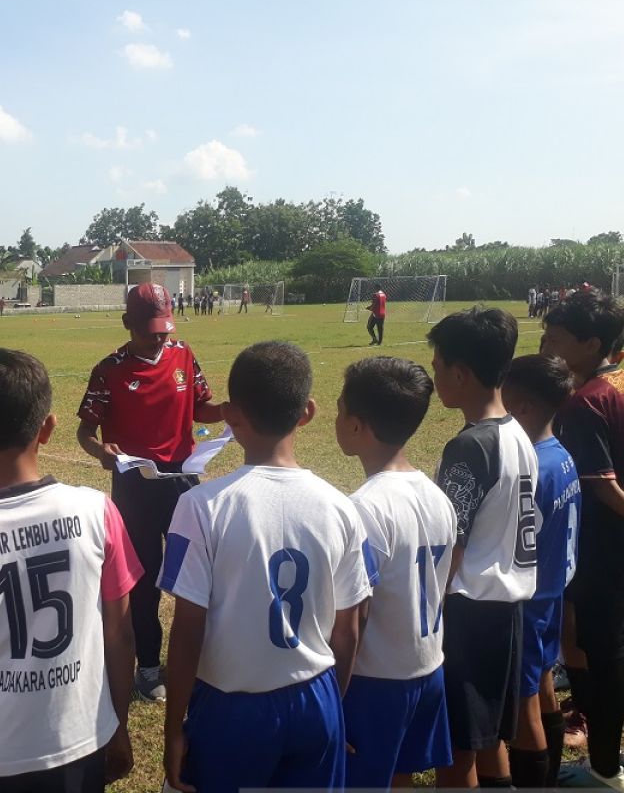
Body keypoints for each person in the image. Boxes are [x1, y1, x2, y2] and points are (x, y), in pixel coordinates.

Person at [0, 349, 143, 793]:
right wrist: (117, 724)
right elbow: (120, 633)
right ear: (47, 428)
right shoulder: (97, 511)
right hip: (81, 741)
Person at [160, 341, 371, 791]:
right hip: (317, 695)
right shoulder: (341, 507)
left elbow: (187, 630)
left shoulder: (200, 506)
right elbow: (349, 629)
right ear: (308, 412)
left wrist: (173, 726)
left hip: (231, 707)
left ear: (231, 414)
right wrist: (333, 704)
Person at [76, 283, 223, 702]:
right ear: (127, 324)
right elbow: (86, 430)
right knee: (143, 583)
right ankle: (149, 667)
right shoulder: (110, 369)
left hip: (183, 483)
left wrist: (229, 411)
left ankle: (203, 660)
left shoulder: (183, 354)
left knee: (199, 575)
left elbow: (201, 408)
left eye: (164, 328)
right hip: (135, 486)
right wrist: (100, 451)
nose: (160, 338)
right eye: (149, 331)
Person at [542, 290, 624, 790]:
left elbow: (600, 483)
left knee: (608, 655)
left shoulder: (585, 400)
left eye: (556, 338)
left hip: (604, 543)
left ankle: (606, 771)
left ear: (590, 344)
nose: (546, 345)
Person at [333, 356, 456, 788]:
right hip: (428, 669)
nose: (336, 417)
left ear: (357, 425)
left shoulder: (364, 508)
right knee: (399, 776)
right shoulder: (436, 495)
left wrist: (335, 700)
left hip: (376, 683)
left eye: (340, 408)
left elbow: (355, 617)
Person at [428, 306, 537, 789]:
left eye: (437, 366)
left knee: (457, 749)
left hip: (469, 613)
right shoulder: (519, 434)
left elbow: (453, 542)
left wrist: (427, 607)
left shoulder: (470, 447)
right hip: (507, 608)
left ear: (460, 372)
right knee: (489, 737)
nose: (434, 377)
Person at [500, 353, 581, 788]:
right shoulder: (560, 455)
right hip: (553, 593)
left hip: (529, 604)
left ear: (523, 408)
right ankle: (552, 771)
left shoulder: (533, 469)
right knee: (544, 682)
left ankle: (537, 779)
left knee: (524, 701)